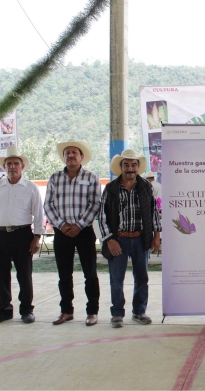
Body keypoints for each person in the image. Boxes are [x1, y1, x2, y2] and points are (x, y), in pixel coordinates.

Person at [98, 149, 161, 329]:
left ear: (138, 167)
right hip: (119, 239)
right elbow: (101, 216)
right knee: (116, 278)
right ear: (121, 167)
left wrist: (156, 236)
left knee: (142, 277)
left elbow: (153, 212)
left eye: (134, 165)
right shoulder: (111, 188)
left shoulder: (146, 186)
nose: (130, 168)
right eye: (126, 164)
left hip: (141, 239)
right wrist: (110, 239)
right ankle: (117, 313)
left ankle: (139, 311)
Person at [0, 146, 44, 324]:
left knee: (24, 274)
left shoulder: (31, 188)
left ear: (22, 166)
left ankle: (26, 310)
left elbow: (38, 215)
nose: (12, 167)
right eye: (9, 164)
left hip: (23, 235)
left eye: (16, 163)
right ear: (4, 167)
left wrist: (37, 238)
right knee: (1, 275)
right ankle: (4, 310)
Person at [44, 139, 101, 326]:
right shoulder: (54, 178)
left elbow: (95, 204)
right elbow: (48, 205)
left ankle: (92, 311)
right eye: (67, 153)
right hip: (62, 233)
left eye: (74, 153)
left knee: (90, 273)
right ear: (64, 157)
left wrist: (78, 225)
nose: (70, 155)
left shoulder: (91, 177)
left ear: (81, 157)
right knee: (64, 274)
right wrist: (61, 225)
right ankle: (66, 310)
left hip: (84, 232)